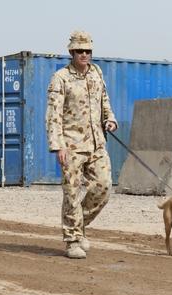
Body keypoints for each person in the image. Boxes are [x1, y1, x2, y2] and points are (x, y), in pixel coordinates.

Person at [46, 31, 118, 259]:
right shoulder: (61, 77)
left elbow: (104, 100)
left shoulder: (96, 72)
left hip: (97, 143)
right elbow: (53, 114)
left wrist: (110, 118)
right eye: (80, 51)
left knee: (104, 187)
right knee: (72, 193)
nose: (84, 54)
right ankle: (72, 240)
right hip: (72, 145)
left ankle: (79, 225)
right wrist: (58, 145)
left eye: (88, 50)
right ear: (71, 52)